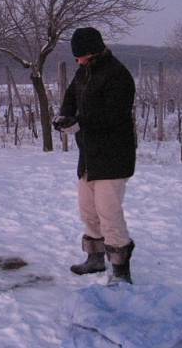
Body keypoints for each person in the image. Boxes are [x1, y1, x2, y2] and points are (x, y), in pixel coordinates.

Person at [53, 27, 137, 284]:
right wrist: (65, 116)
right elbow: (70, 97)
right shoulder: (84, 72)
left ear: (93, 52)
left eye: (81, 57)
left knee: (109, 212)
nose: (77, 61)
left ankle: (120, 271)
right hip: (89, 154)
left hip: (112, 155)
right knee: (88, 210)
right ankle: (95, 258)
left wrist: (80, 123)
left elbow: (114, 114)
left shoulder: (117, 75)